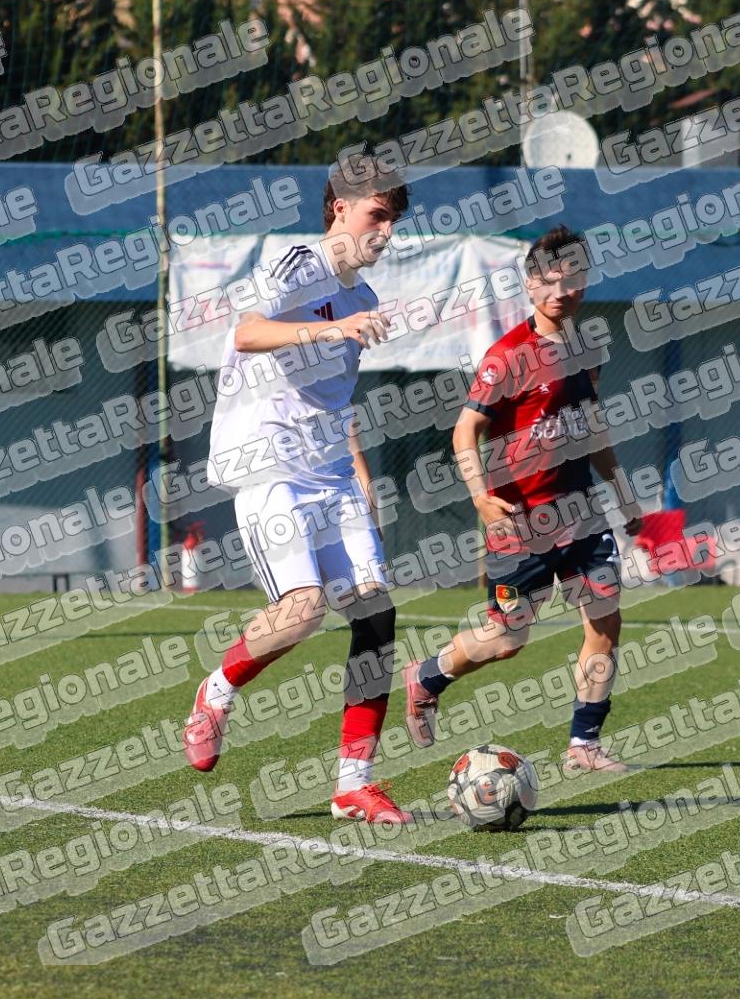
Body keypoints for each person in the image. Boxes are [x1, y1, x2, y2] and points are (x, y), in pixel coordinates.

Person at [182, 154, 411, 824]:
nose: (386, 232)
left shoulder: (364, 300)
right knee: (303, 610)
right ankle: (217, 691)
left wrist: (359, 471)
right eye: (377, 215)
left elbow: (333, 401)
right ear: (340, 208)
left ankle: (353, 784)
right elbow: (247, 332)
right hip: (269, 468)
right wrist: (329, 327)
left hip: (331, 476)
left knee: (376, 616)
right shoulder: (297, 265)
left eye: (393, 221)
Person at [400, 224, 642, 773]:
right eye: (549, 282)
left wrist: (623, 493)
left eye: (571, 280)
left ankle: (584, 744)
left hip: (582, 515)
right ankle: (427, 676)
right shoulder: (506, 356)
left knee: (605, 622)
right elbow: (465, 431)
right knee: (506, 640)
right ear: (530, 285)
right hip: (521, 522)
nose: (561, 292)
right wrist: (480, 498)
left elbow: (591, 428)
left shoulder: (588, 349)